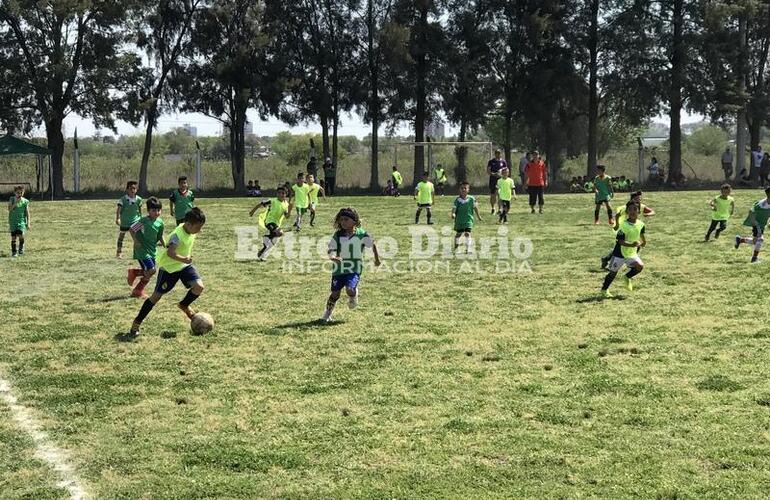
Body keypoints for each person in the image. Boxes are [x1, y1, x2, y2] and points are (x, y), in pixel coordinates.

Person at [128, 207, 206, 338]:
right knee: (155, 297)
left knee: (199, 287)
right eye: (198, 227)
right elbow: (170, 253)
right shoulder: (177, 235)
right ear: (188, 224)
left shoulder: (188, 228)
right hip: (169, 269)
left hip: (183, 266)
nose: (200, 230)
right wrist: (184, 259)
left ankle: (184, 305)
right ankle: (136, 323)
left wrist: (184, 261)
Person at [321, 207, 381, 322]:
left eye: (346, 219)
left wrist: (377, 259)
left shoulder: (361, 234)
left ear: (354, 221)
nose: (343, 222)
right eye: (341, 220)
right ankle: (327, 314)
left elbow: (372, 245)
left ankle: (353, 295)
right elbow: (331, 248)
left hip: (354, 268)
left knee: (349, 290)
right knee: (335, 294)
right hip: (339, 270)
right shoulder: (338, 235)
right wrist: (333, 257)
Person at [600, 190, 655, 269]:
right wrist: (617, 226)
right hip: (622, 227)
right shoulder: (626, 208)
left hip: (633, 227)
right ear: (632, 200)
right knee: (622, 245)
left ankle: (610, 259)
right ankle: (617, 261)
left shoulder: (641, 206)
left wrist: (648, 214)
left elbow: (653, 211)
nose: (639, 201)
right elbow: (617, 216)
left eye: (640, 199)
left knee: (633, 244)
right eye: (637, 199)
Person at [601, 202, 646, 298]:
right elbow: (620, 241)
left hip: (631, 253)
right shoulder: (624, 225)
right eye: (630, 209)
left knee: (640, 266)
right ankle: (604, 290)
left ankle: (627, 277)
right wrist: (632, 244)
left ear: (639, 211)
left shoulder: (641, 224)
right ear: (627, 212)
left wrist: (644, 242)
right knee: (612, 273)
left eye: (635, 209)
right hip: (619, 253)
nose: (632, 211)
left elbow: (641, 234)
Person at [127, 197, 165, 298]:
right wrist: (136, 241)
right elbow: (132, 229)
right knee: (152, 270)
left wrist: (166, 246)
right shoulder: (143, 221)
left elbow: (160, 236)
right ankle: (138, 289)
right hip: (141, 250)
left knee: (149, 271)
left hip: (152, 250)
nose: (156, 212)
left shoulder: (160, 223)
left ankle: (134, 273)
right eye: (153, 210)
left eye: (158, 210)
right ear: (148, 211)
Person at [249, 185, 293, 261]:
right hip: (269, 221)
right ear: (276, 194)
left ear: (286, 194)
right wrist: (252, 211)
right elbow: (260, 204)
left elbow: (287, 216)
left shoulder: (286, 204)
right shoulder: (272, 201)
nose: (280, 194)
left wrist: (289, 210)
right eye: (279, 193)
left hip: (277, 224)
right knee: (280, 233)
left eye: (283, 193)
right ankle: (264, 252)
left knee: (273, 241)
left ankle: (262, 251)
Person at [735, 186, 770, 263]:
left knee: (755, 241)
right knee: (760, 240)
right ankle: (754, 258)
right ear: (768, 195)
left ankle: (740, 240)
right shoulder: (761, 204)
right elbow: (751, 211)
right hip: (757, 224)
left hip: (762, 225)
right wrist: (754, 222)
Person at [452, 181, 482, 252]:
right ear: (459, 189)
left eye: (465, 188)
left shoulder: (472, 199)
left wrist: (478, 216)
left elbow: (475, 208)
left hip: (468, 220)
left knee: (467, 233)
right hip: (459, 221)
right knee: (458, 234)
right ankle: (456, 248)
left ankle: (468, 249)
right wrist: (453, 214)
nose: (463, 189)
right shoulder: (457, 200)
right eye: (462, 188)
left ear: (468, 190)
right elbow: (454, 208)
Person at [115, 181, 143, 258]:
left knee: (138, 237)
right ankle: (119, 252)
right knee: (121, 236)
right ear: (127, 189)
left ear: (136, 190)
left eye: (134, 188)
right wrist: (117, 218)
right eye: (130, 188)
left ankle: (137, 253)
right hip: (125, 222)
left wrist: (141, 219)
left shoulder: (139, 199)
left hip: (136, 221)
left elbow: (140, 210)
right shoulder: (123, 199)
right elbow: (119, 210)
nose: (132, 190)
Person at [8, 185, 30, 257]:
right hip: (13, 221)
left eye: (21, 193)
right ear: (15, 192)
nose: (19, 194)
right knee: (13, 237)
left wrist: (28, 223)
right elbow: (10, 209)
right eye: (18, 193)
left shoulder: (25, 201)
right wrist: (16, 202)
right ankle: (14, 252)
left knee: (21, 235)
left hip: (21, 221)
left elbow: (27, 213)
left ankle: (21, 247)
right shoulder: (12, 199)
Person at [487, 149, 507, 214]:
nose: (498, 154)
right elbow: (488, 170)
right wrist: (494, 174)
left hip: (501, 181)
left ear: (501, 154)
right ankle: (493, 208)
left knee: (500, 195)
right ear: (495, 154)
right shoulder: (491, 161)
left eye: (499, 153)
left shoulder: (503, 162)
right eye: (496, 153)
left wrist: (502, 175)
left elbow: (506, 170)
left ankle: (500, 209)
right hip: (493, 180)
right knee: (493, 195)